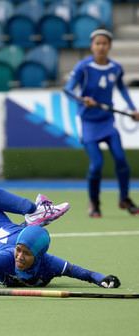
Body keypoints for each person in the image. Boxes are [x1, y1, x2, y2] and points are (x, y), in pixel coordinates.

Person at [0, 184, 121, 289]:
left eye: (26, 253)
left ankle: (31, 222)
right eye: (18, 251)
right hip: (2, 233)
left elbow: (86, 274)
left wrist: (103, 279)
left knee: (25, 240)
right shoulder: (7, 257)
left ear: (38, 256)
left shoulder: (50, 264)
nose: (19, 257)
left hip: (21, 236)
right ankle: (32, 210)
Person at [64, 28, 139, 218]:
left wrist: (132, 109)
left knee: (121, 160)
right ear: (92, 46)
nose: (101, 47)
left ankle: (124, 198)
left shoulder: (116, 68)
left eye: (104, 43)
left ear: (110, 46)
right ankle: (94, 203)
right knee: (96, 164)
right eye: (97, 43)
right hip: (89, 123)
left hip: (108, 121)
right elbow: (67, 90)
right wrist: (83, 99)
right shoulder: (83, 67)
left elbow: (122, 89)